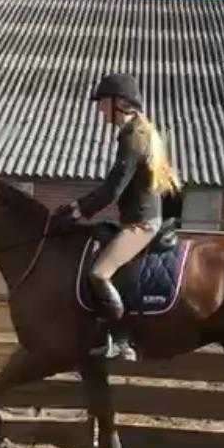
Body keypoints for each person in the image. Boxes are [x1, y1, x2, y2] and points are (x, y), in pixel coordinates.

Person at [50, 72, 179, 360]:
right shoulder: (138, 133)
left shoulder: (134, 138)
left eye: (102, 102)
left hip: (142, 224)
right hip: (137, 219)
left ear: (119, 103)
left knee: (99, 273)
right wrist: (77, 208)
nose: (99, 109)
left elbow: (112, 189)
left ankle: (121, 340)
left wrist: (76, 210)